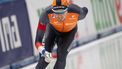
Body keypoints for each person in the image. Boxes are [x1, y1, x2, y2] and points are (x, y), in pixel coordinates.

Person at [35, 0, 88, 69]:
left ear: (67, 9)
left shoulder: (77, 12)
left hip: (69, 33)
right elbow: (37, 41)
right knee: (45, 60)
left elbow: (85, 10)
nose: (60, 16)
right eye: (57, 13)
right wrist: (43, 51)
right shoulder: (45, 14)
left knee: (62, 55)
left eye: (62, 12)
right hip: (52, 30)